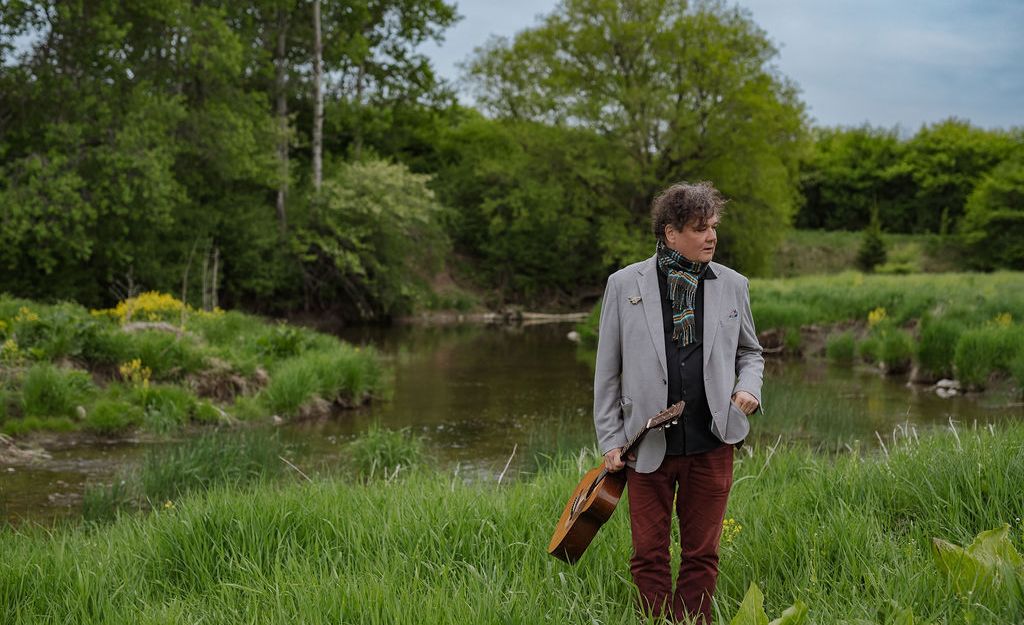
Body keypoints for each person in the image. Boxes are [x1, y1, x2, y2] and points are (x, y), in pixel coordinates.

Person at [593, 181, 764, 623]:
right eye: (699, 228)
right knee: (648, 555)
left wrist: (749, 388)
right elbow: (607, 370)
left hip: (712, 442)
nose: (711, 237)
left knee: (702, 555)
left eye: (713, 227)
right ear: (670, 233)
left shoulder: (733, 285)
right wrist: (611, 439)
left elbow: (751, 352)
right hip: (645, 446)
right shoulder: (623, 284)